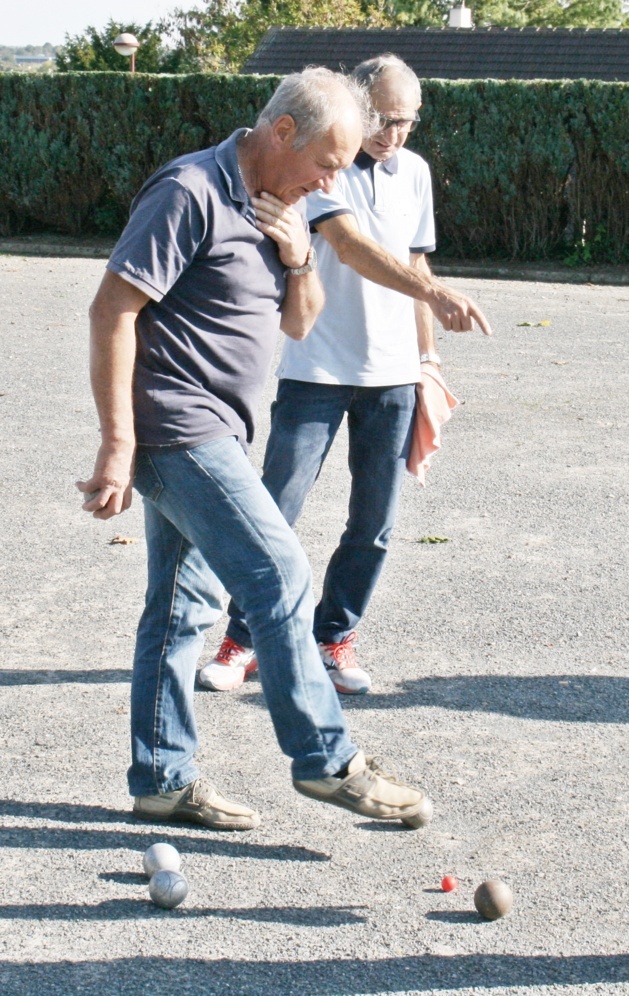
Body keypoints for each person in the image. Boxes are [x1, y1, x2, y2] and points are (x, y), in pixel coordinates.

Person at [77, 67, 431, 832]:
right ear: (280, 134)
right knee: (281, 574)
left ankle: (162, 778)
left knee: (179, 608)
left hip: (226, 430)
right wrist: (116, 443)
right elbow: (113, 308)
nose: (333, 179)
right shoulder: (190, 192)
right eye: (327, 163)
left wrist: (300, 255)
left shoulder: (282, 206)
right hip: (176, 427)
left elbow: (299, 323)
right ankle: (328, 761)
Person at [199, 53, 490, 696]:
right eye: (385, 119)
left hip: (393, 374)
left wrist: (428, 358)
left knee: (375, 522)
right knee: (275, 510)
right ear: (358, 108)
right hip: (318, 366)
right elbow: (352, 247)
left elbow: (412, 261)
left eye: (409, 122)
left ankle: (333, 637)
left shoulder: (413, 172)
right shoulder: (324, 165)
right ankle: (242, 638)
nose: (395, 134)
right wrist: (438, 290)